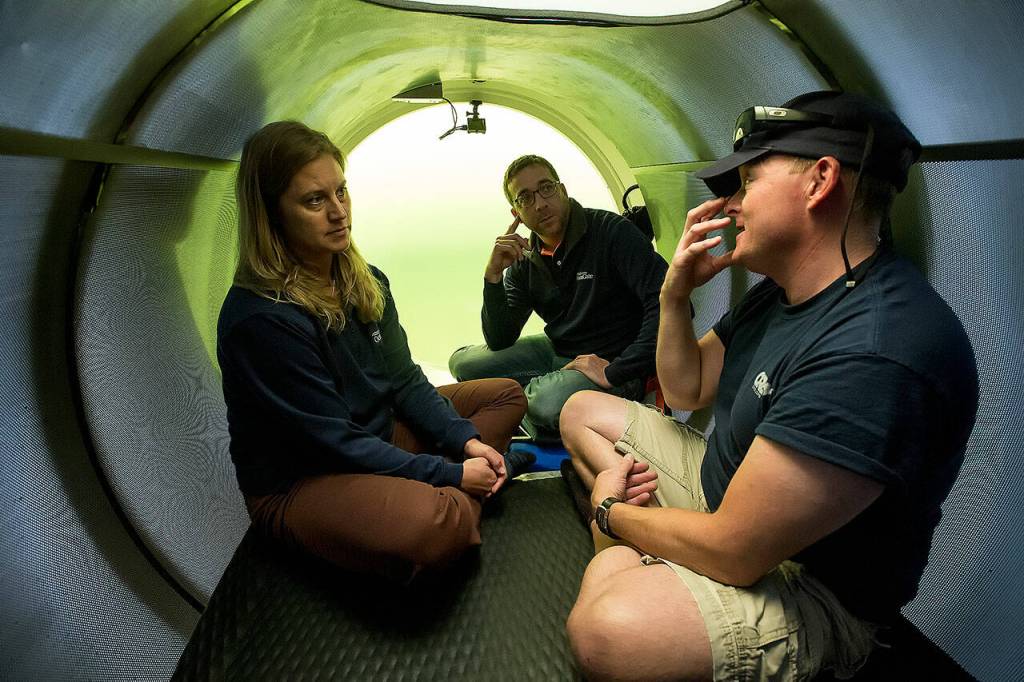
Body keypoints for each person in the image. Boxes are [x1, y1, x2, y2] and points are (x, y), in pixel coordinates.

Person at [560, 91, 978, 680]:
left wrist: (609, 511)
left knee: (609, 633)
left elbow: (737, 550)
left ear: (820, 181)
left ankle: (638, 545)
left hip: (803, 583)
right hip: (724, 495)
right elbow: (686, 390)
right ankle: (657, 547)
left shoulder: (877, 347)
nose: (728, 206)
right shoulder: (780, 291)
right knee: (579, 409)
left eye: (746, 182)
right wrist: (673, 296)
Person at [217, 121, 529, 581]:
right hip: (307, 479)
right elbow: (336, 444)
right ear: (272, 214)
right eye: (314, 201)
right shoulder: (263, 320)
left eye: (341, 192)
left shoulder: (366, 281)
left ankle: (459, 479)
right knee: (436, 524)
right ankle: (464, 491)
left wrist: (468, 441)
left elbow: (404, 381)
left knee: (505, 396)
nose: (338, 212)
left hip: (377, 435)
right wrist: (453, 475)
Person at [448, 154, 668, 441]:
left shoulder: (610, 232)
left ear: (562, 191)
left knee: (545, 403)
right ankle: (539, 406)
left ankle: (535, 406)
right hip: (560, 350)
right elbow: (500, 338)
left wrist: (617, 370)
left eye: (546, 188)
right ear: (516, 213)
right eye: (525, 198)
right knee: (463, 364)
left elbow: (667, 305)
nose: (540, 203)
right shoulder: (526, 258)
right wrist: (492, 277)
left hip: (614, 362)